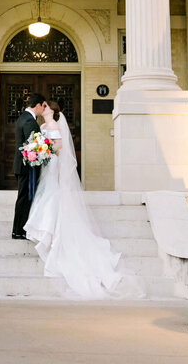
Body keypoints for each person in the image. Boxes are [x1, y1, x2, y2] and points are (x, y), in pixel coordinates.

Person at [24, 98, 144, 299]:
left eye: (45, 107)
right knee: (47, 194)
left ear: (50, 111)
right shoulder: (43, 125)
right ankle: (47, 230)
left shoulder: (53, 124)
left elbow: (59, 146)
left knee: (53, 195)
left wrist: (44, 150)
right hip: (47, 165)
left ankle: (52, 232)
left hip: (53, 164)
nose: (42, 108)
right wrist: (37, 150)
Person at [11, 93, 47, 240]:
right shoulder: (30, 121)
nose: (43, 109)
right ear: (37, 105)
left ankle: (19, 229)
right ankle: (19, 230)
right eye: (43, 106)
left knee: (23, 197)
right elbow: (33, 145)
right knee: (24, 198)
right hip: (26, 166)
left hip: (22, 165)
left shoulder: (23, 118)